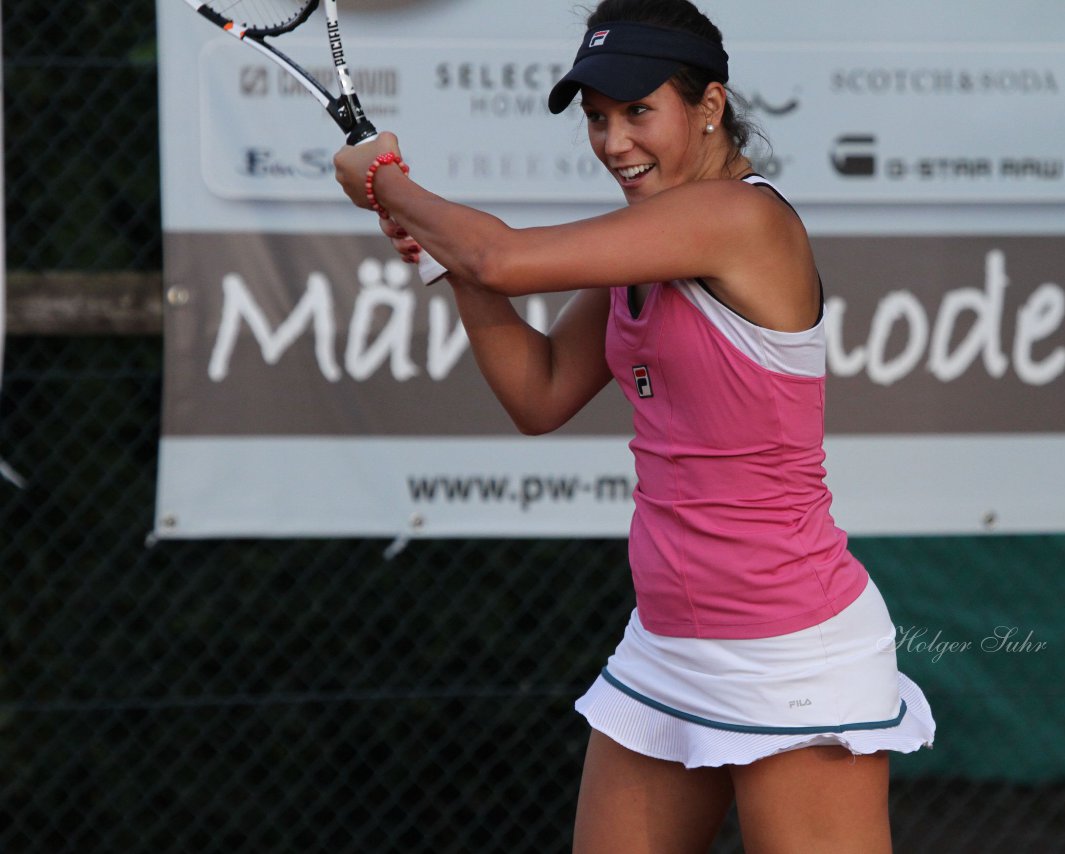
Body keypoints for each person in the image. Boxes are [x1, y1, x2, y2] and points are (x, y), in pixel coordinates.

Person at [334, 1, 935, 850]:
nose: (615, 142)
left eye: (638, 112)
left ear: (711, 107)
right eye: (597, 119)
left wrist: (382, 182)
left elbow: (502, 256)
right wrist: (455, 267)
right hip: (667, 645)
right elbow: (538, 395)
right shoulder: (647, 249)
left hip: (793, 656)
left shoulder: (742, 219)